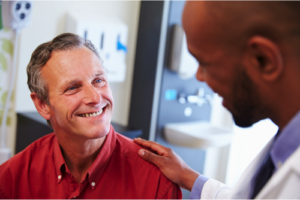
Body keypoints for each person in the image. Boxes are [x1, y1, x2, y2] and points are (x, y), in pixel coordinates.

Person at [134, 0, 300, 199]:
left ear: (263, 60)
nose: (199, 77)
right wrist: (187, 176)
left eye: (204, 63)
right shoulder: (284, 147)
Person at [0, 33, 182, 200]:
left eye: (99, 81)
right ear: (42, 105)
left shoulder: (157, 183)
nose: (96, 98)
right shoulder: (11, 180)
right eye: (72, 87)